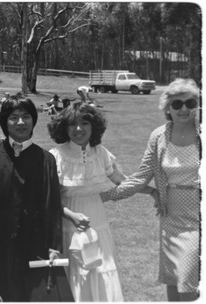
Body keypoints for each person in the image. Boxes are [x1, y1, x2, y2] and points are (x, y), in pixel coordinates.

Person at [101, 78, 201, 301]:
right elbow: (140, 178)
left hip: (200, 216)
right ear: (167, 108)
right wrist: (103, 197)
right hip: (172, 217)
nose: (184, 109)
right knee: (174, 277)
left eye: (190, 103)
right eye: (177, 104)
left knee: (189, 276)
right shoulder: (159, 136)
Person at [47, 102, 156, 301]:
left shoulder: (101, 153)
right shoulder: (55, 157)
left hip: (98, 222)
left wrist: (152, 191)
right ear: (64, 127)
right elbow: (49, 199)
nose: (78, 129)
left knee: (102, 270)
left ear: (94, 126)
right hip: (67, 224)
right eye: (72, 124)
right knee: (76, 274)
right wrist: (70, 215)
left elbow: (122, 180)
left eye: (85, 123)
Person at [0, 97, 64, 301]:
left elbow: (52, 204)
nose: (20, 123)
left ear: (34, 120)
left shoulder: (45, 159)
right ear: (4, 121)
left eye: (26, 117)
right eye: (13, 117)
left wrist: (55, 246)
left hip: (33, 243)